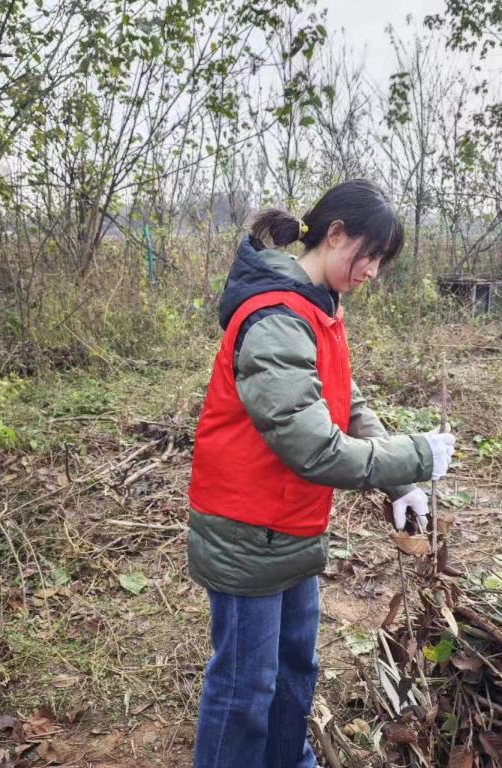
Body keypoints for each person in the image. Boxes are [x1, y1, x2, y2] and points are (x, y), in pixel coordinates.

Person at [187, 179, 457, 768]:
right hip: (245, 533)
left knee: (294, 672)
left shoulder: (317, 309)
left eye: (382, 262)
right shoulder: (274, 318)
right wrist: (415, 455)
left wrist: (401, 482)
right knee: (244, 689)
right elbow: (313, 448)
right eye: (371, 255)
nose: (373, 272)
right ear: (336, 234)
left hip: (290, 528)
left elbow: (346, 403)